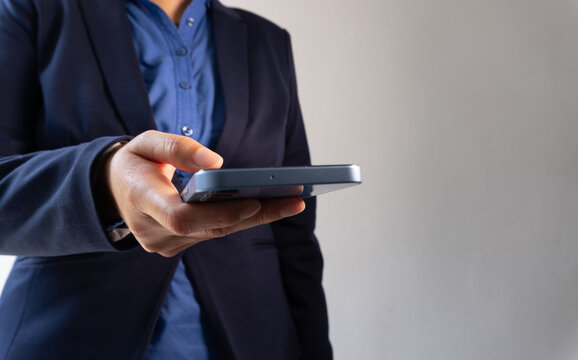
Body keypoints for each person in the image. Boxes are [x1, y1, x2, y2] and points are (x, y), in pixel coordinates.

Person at [0, 0, 332, 358]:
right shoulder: (31, 10)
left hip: (256, 336)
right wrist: (103, 183)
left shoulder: (268, 40)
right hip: (71, 335)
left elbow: (296, 238)